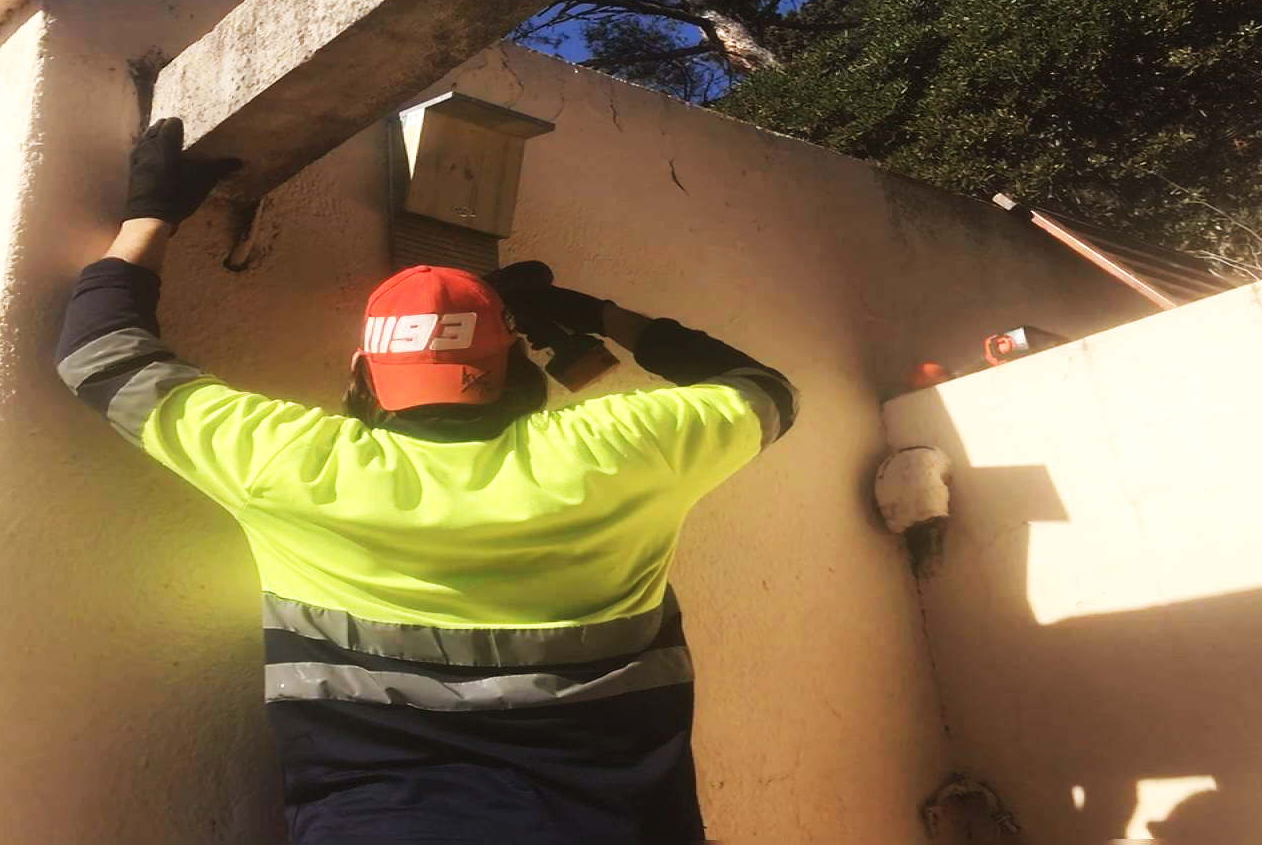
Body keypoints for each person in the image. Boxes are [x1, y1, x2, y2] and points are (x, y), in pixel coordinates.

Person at [56, 119, 798, 845]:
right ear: (519, 367)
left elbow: (100, 356)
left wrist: (149, 214)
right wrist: (594, 313)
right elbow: (763, 388)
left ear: (361, 373)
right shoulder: (623, 450)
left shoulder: (290, 464)